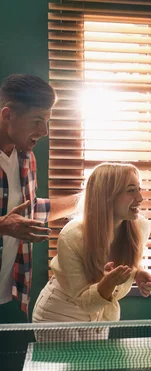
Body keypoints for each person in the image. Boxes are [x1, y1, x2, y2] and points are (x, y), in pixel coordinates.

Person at [32, 163, 151, 341]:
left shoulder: (141, 227)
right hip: (59, 315)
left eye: (139, 189)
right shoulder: (72, 236)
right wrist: (107, 283)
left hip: (100, 316)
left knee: (93, 367)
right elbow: (85, 301)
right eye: (131, 191)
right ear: (107, 196)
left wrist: (137, 271)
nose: (140, 198)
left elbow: (125, 259)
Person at [0, 74, 80, 319]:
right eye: (36, 121)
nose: (43, 132)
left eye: (46, 121)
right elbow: (9, 224)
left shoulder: (25, 157)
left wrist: (90, 198)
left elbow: (30, 211)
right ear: (7, 115)